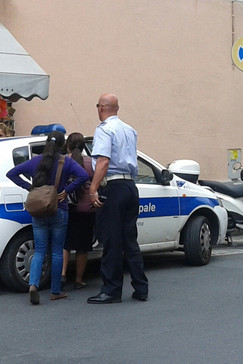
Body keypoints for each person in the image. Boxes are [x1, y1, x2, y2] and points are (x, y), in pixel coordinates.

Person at [7, 130, 88, 304]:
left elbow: (12, 173)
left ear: (46, 143)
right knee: (57, 251)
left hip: (38, 211)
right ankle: (55, 291)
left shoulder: (35, 161)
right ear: (63, 146)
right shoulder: (65, 162)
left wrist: (30, 187)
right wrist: (67, 190)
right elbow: (83, 175)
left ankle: (33, 284)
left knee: (40, 250)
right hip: (59, 209)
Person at [87, 93, 149, 304]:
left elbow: (103, 161)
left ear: (101, 107)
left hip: (112, 186)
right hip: (130, 186)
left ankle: (111, 290)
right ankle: (141, 287)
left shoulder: (104, 130)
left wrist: (93, 188)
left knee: (112, 240)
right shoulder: (129, 130)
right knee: (129, 240)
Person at [61, 132, 96, 289]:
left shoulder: (63, 162)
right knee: (82, 247)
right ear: (84, 146)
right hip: (85, 209)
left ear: (67, 145)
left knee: (65, 244)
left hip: (66, 207)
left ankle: (61, 275)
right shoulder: (90, 163)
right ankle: (78, 279)